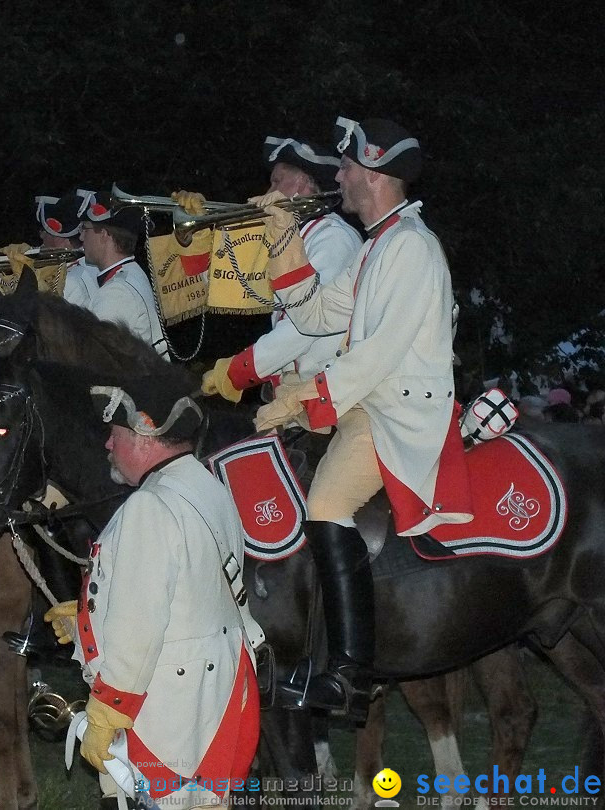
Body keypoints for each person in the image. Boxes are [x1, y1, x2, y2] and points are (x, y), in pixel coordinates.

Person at [206, 117, 473, 720]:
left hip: (397, 407)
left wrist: (308, 394)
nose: (341, 177)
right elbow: (319, 312)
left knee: (324, 503)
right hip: (369, 399)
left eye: (348, 168)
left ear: (376, 174)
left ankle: (351, 672)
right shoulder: (380, 241)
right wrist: (284, 242)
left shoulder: (410, 246)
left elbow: (379, 353)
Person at [46, 372, 261, 808]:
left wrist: (106, 713)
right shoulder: (206, 485)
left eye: (115, 433)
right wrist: (92, 615)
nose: (108, 445)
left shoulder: (149, 506)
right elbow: (193, 595)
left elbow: (140, 628)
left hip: (167, 710)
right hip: (217, 696)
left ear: (144, 436)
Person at [199, 135, 363, 399]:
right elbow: (221, 284)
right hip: (296, 390)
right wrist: (199, 235)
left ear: (303, 183)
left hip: (326, 394)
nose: (267, 192)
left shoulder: (333, 237)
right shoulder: (287, 237)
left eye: (276, 181)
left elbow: (305, 327)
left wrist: (238, 371)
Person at [78, 192, 170, 359]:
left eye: (85, 228)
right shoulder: (130, 273)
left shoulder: (117, 292)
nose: (81, 236)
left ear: (104, 235)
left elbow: (89, 358)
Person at [35, 190, 100, 308]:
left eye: (45, 231)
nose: (42, 236)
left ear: (58, 237)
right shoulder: (94, 267)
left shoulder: (68, 280)